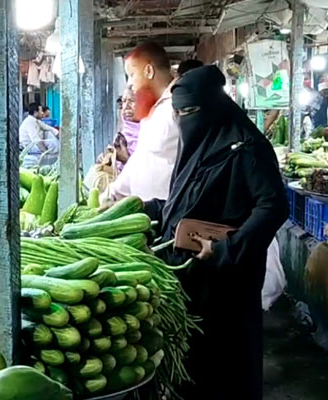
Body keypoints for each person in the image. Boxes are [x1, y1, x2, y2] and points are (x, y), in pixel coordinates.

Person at [143, 65, 288, 399]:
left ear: (213, 105)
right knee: (195, 366)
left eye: (190, 111)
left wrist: (226, 249)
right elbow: (188, 200)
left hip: (228, 281)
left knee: (227, 366)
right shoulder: (195, 146)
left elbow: (273, 206)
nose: (184, 119)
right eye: (177, 113)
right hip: (193, 277)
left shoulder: (247, 147)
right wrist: (148, 208)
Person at [106, 42, 179, 201]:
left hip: (170, 211)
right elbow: (140, 159)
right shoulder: (153, 110)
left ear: (149, 71)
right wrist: (112, 193)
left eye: (132, 74)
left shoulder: (179, 106)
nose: (130, 83)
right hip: (147, 211)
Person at [19, 102, 59, 168]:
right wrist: (45, 152)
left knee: (49, 133)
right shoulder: (30, 122)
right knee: (53, 143)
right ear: (35, 112)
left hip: (36, 144)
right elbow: (36, 141)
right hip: (29, 146)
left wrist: (59, 135)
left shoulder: (36, 121)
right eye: (41, 111)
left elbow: (48, 128)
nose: (42, 113)